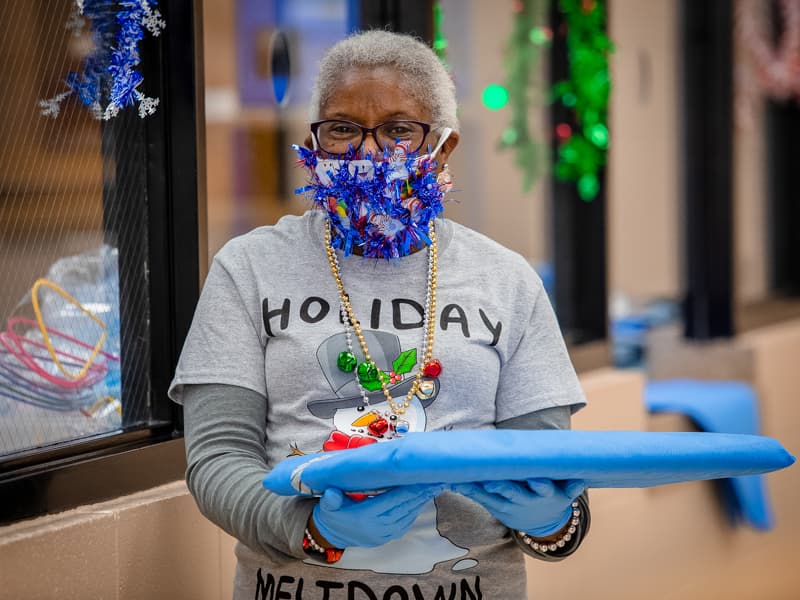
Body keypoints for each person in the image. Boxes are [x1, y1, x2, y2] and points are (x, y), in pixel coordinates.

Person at [169, 30, 590, 599]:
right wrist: (311, 528)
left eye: (398, 130)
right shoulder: (249, 268)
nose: (368, 152)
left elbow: (556, 482)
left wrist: (550, 520)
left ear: (442, 147)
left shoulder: (506, 279)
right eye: (342, 128)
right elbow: (218, 459)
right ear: (314, 141)